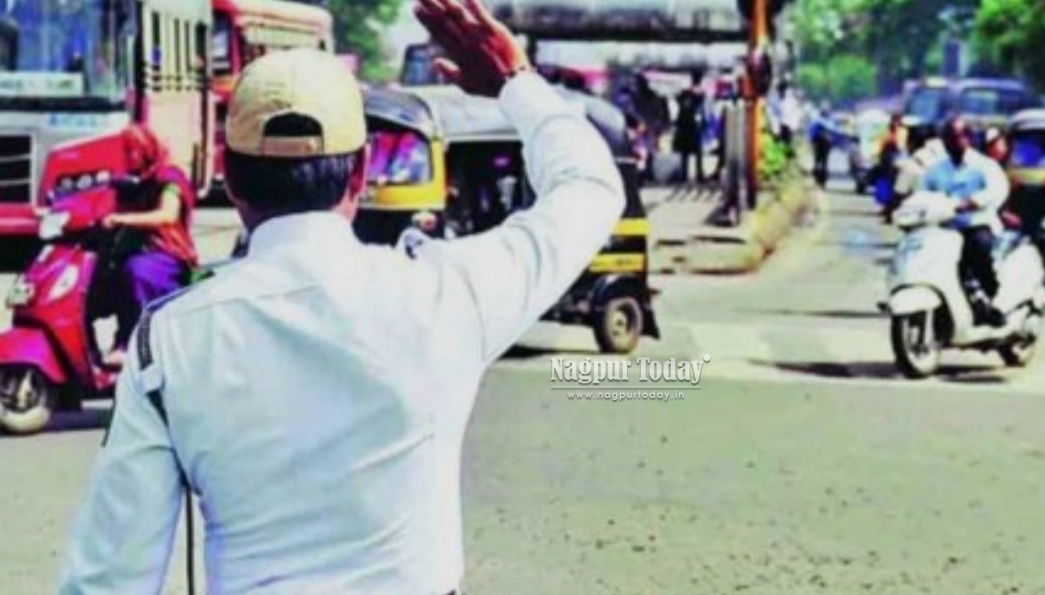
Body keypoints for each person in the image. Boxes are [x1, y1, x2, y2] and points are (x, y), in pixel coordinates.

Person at [56, 0, 625, 593]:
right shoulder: (446, 293)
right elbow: (589, 189)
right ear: (361, 172)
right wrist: (517, 83)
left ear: (232, 179)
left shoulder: (170, 339)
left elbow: (110, 579)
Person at [97, 124, 197, 368]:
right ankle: (123, 336)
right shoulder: (137, 180)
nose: (129, 157)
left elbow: (167, 215)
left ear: (147, 149)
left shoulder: (170, 178)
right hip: (140, 248)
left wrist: (122, 219)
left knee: (137, 271)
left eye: (133, 151)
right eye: (126, 151)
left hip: (167, 253)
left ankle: (137, 342)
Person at [920, 116, 1010, 326]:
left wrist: (973, 201)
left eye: (958, 137)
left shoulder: (984, 166)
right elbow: (921, 194)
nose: (953, 142)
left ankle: (990, 296)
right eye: (948, 138)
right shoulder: (936, 170)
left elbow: (998, 190)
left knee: (979, 247)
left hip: (975, 225)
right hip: (944, 228)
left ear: (968, 138)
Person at [673, 69, 707, 183]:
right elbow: (701, 109)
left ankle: (685, 174)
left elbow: (677, 99)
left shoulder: (686, 93)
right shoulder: (700, 94)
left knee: (686, 152)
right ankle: (698, 174)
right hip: (693, 125)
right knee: (697, 152)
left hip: (686, 125)